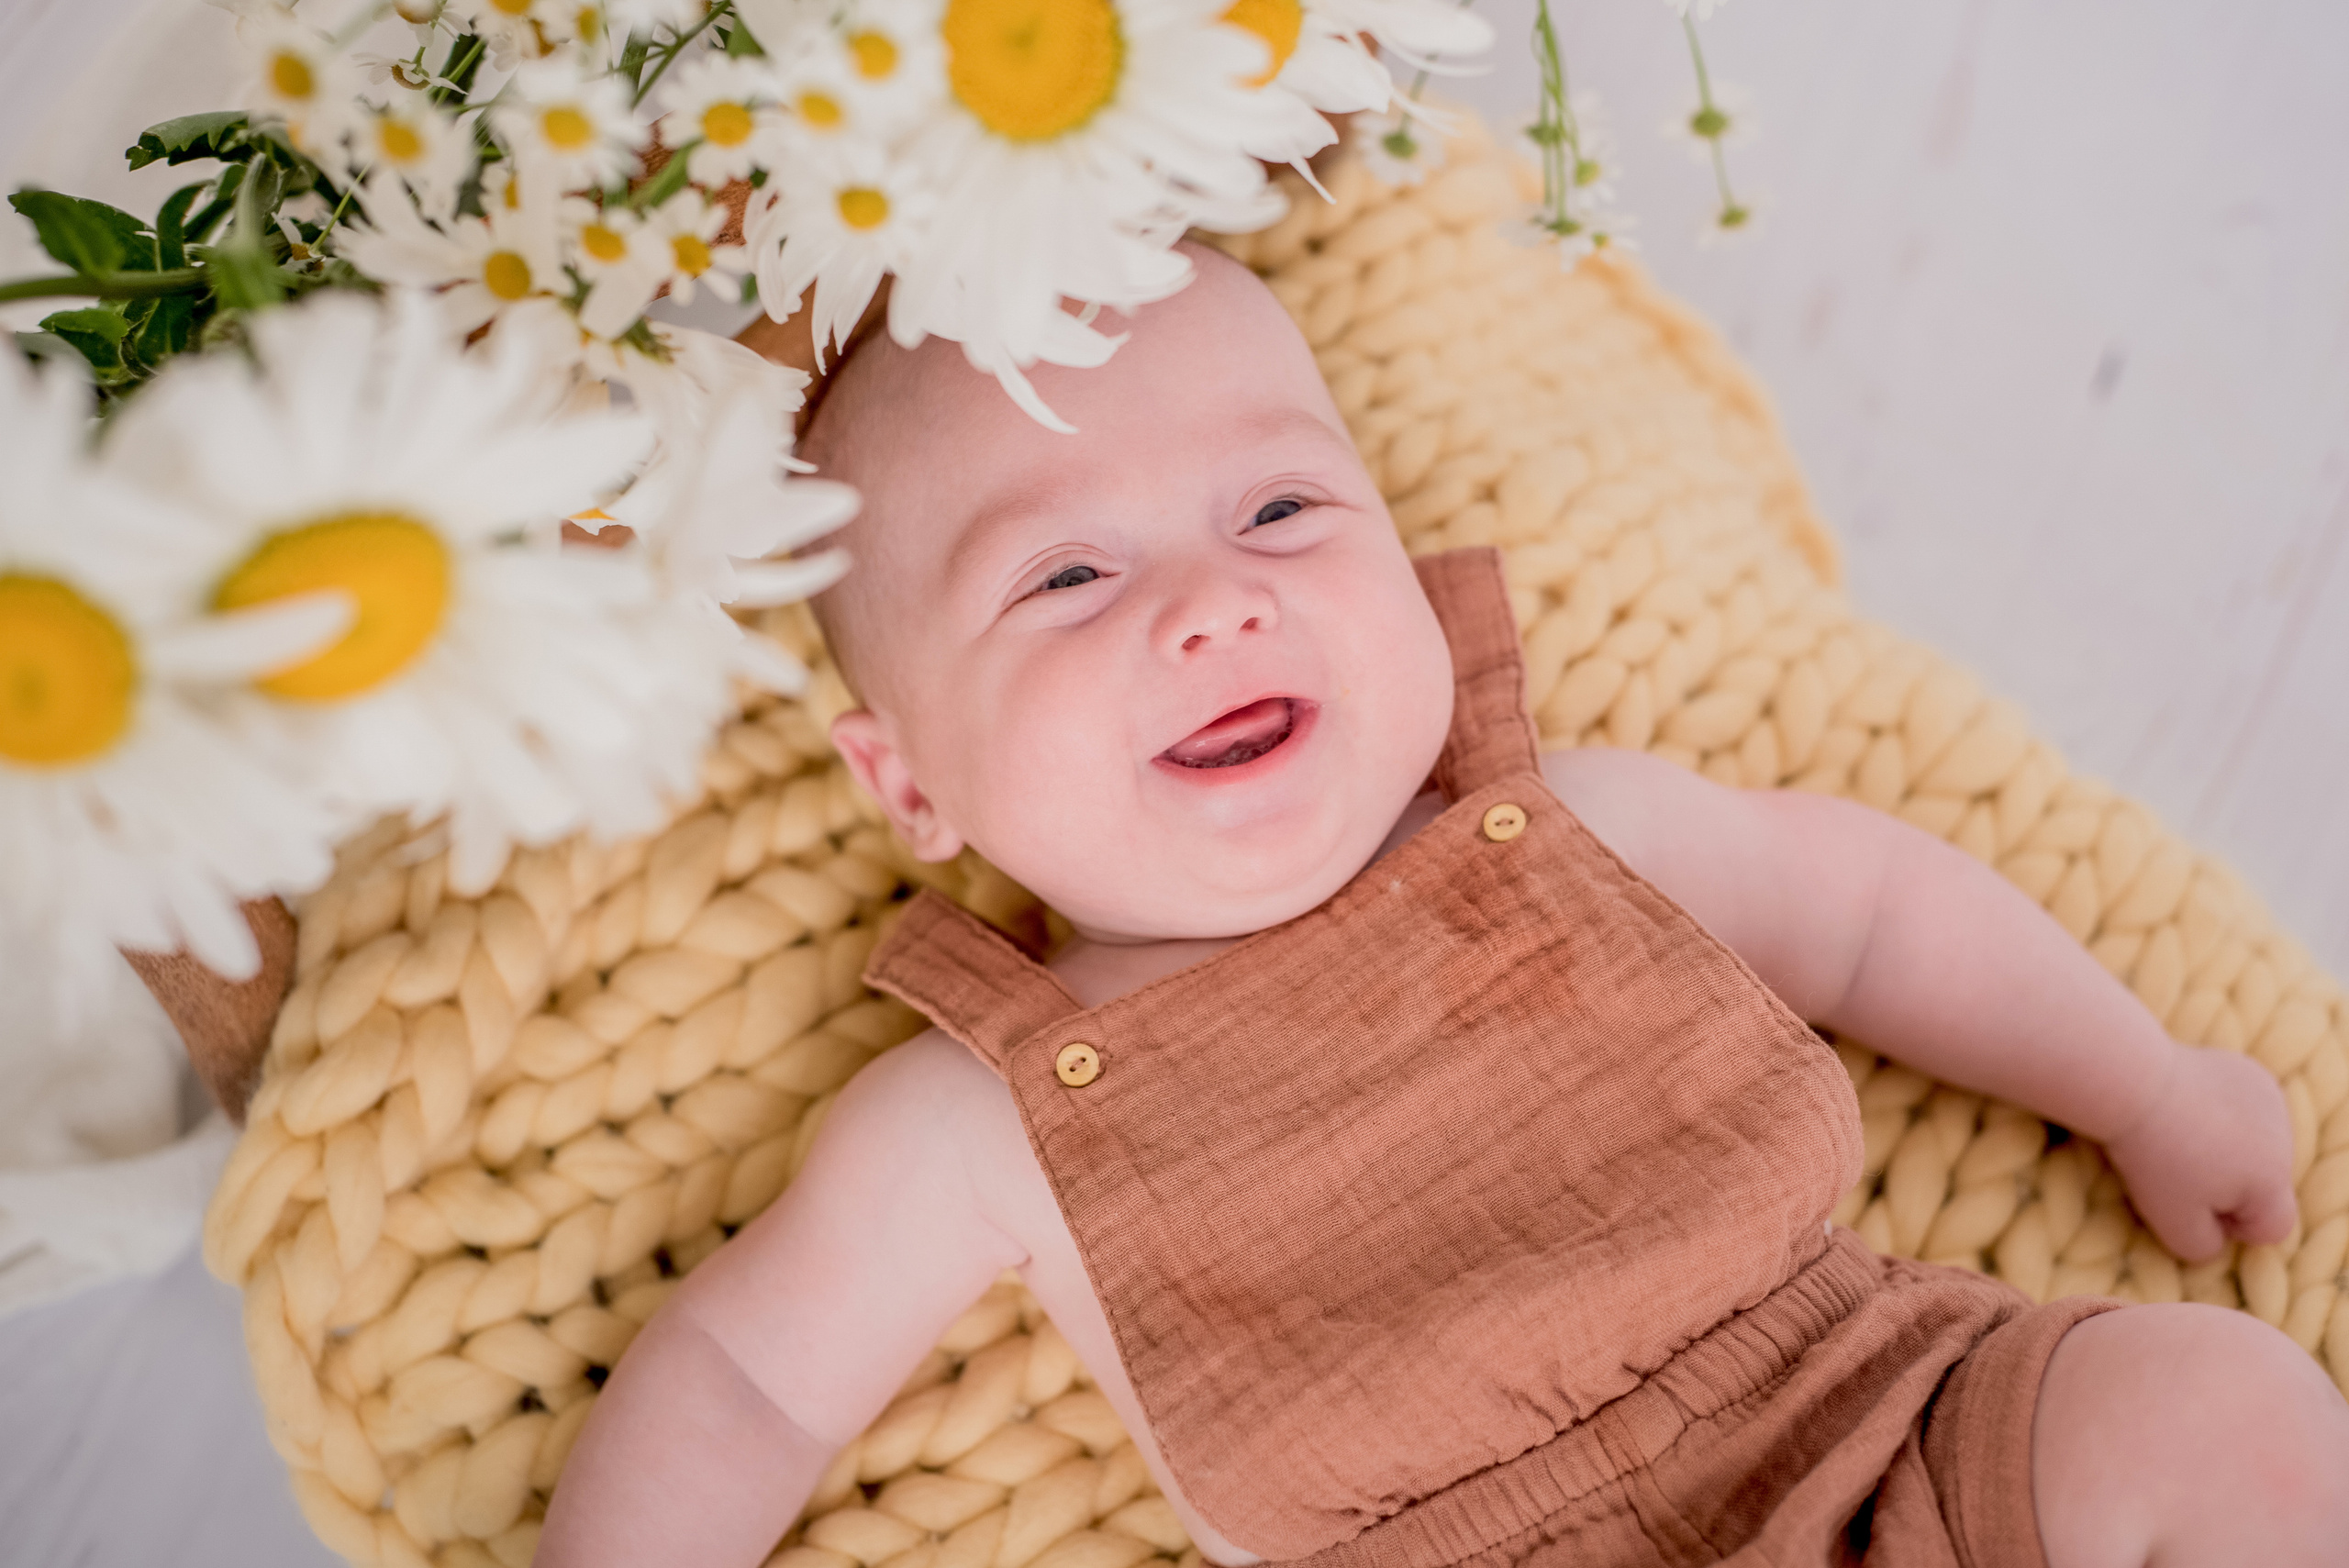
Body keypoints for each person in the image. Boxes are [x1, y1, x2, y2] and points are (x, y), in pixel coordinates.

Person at [536, 243, 2349, 1567]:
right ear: (907, 784)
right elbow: (746, 1389)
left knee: (2219, 1416)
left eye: (1277, 510)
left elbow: (1869, 915)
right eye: (1069, 574)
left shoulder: (1582, 833)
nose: (1210, 606)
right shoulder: (979, 1119)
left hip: (1886, 1445)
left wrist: (2138, 1086)